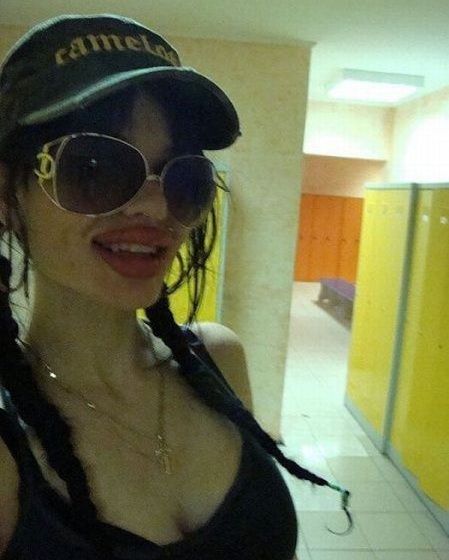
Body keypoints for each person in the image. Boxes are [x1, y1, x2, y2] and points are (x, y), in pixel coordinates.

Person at [0, 14, 351, 560]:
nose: (155, 207)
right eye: (93, 167)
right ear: (6, 196)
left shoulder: (219, 359)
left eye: (183, 177)